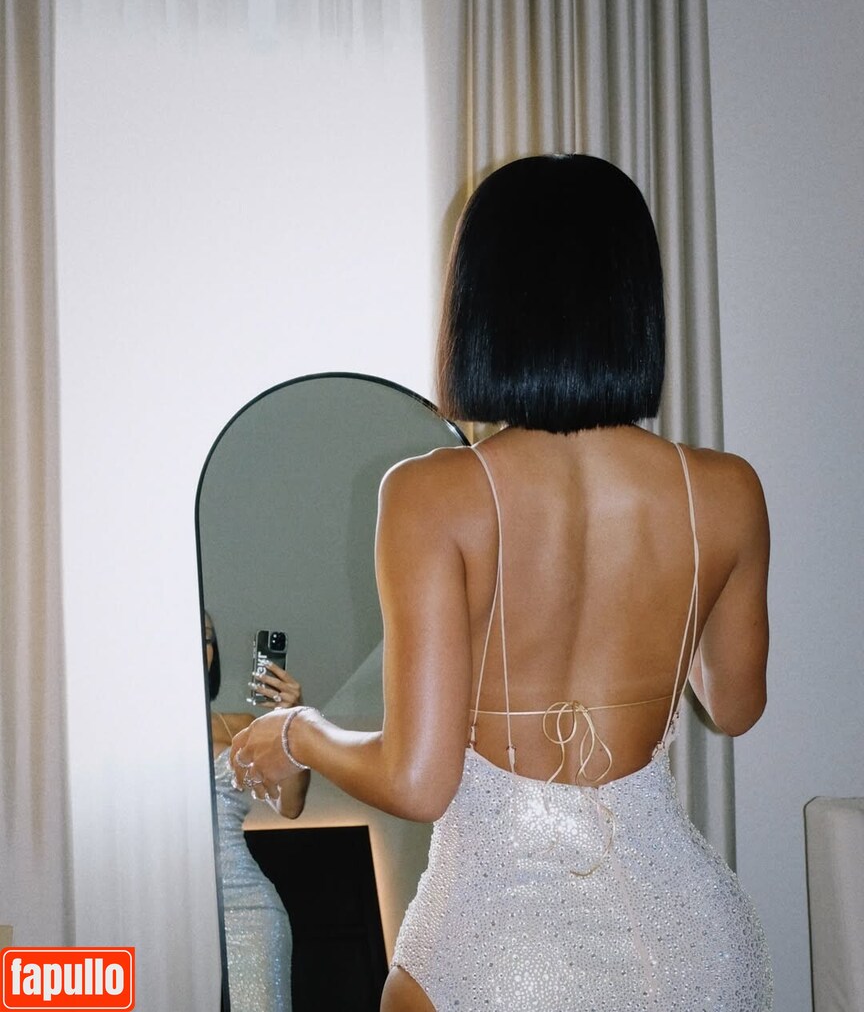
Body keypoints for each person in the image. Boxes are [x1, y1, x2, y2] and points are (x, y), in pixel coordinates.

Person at [230, 155, 772, 1010]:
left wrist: (296, 731)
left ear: (483, 308)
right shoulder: (727, 490)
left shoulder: (432, 493)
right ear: (634, 308)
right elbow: (734, 706)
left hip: (507, 947)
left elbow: (419, 780)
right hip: (695, 944)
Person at [205, 613, 308, 1012]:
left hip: (247, 910)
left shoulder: (239, 727)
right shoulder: (129, 731)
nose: (201, 646)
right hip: (162, 908)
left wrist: (291, 723)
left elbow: (290, 804)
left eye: (208, 638)